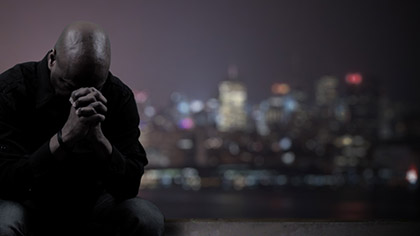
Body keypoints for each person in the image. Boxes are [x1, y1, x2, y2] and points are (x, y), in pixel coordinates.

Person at [0, 21, 164, 236]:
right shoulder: (12, 91)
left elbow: (128, 187)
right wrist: (64, 138)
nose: (80, 96)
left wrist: (99, 141)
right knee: (4, 223)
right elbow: (5, 182)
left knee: (146, 217)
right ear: (52, 59)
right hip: (26, 204)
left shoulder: (119, 97)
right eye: (69, 85)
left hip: (93, 207)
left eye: (95, 86)